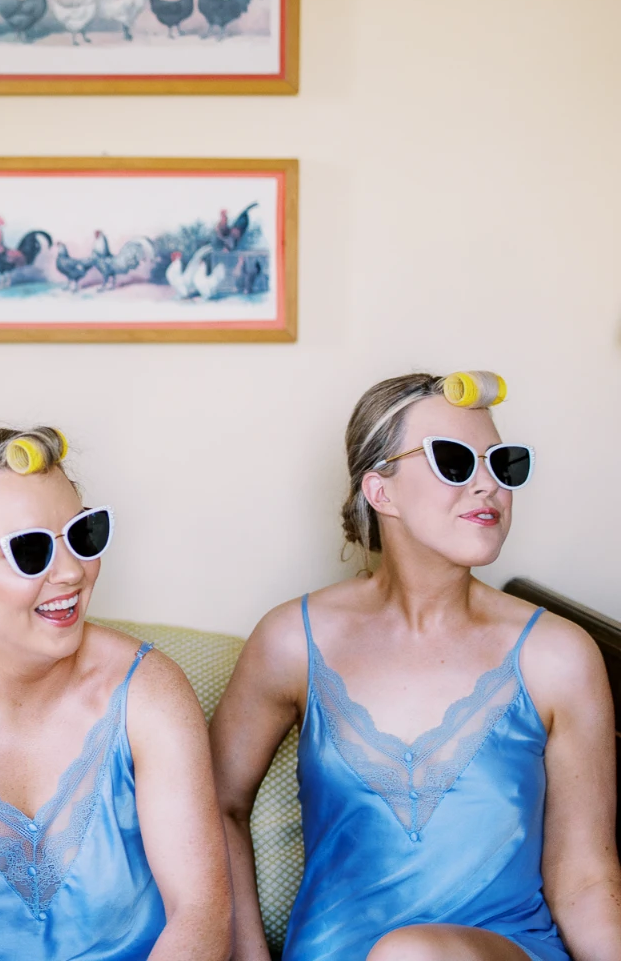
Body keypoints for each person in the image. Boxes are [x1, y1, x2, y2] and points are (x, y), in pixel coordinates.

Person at [210, 371, 621, 960]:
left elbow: (586, 877)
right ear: (381, 491)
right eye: (454, 461)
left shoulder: (557, 655)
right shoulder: (292, 642)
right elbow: (217, 804)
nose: (489, 487)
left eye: (502, 464)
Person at [0, 426, 231, 960]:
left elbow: (202, 916)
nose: (72, 571)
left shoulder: (150, 690)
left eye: (81, 535)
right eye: (29, 551)